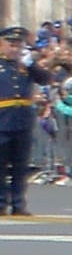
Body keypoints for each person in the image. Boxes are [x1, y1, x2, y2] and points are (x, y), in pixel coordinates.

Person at [0, 35, 35, 215]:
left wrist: (31, 65)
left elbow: (46, 78)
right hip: (1, 125)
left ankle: (18, 203)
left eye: (18, 46)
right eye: (11, 45)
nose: (15, 49)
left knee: (20, 168)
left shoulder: (25, 68)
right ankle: (0, 203)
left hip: (22, 124)